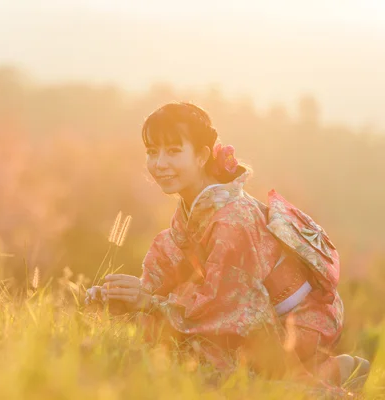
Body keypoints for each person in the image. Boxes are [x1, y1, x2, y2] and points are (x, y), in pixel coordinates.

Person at [85, 102, 369, 389]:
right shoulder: (193, 211)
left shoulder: (233, 219)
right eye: (151, 152)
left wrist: (149, 303)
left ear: (201, 156)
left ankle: (331, 373)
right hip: (252, 315)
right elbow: (167, 263)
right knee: (173, 348)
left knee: (218, 372)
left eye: (173, 151)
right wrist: (122, 296)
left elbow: (225, 312)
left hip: (297, 325)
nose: (159, 163)